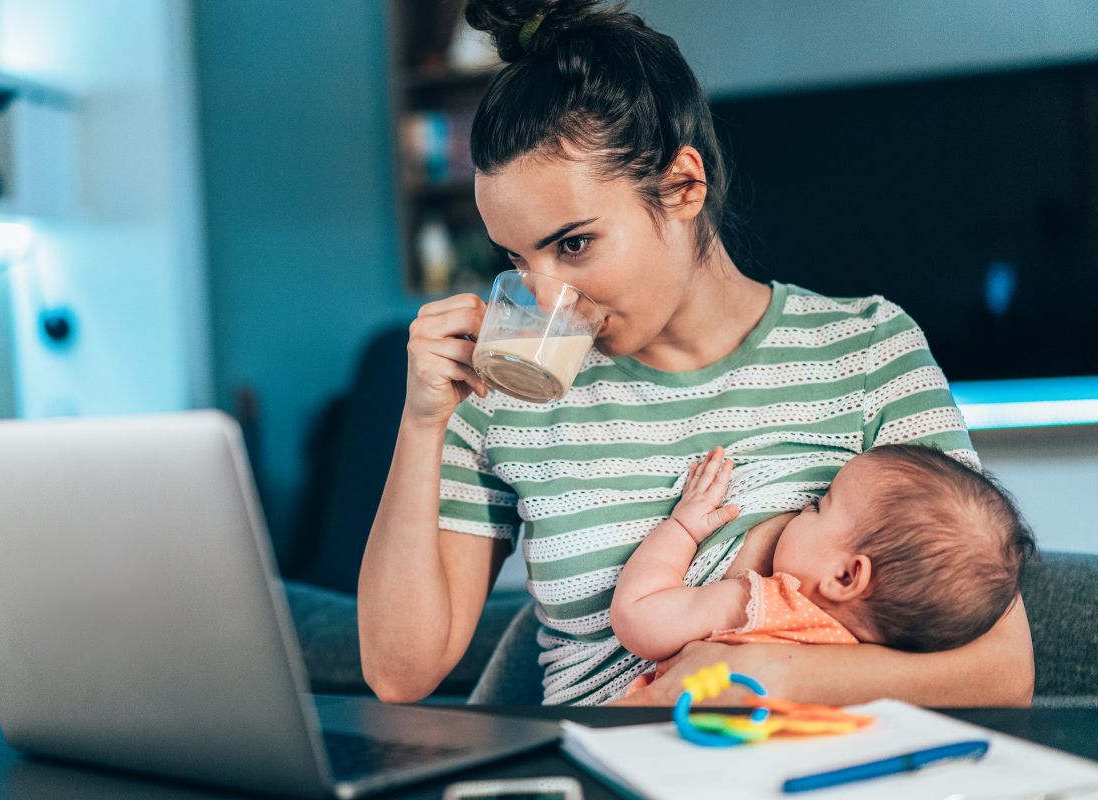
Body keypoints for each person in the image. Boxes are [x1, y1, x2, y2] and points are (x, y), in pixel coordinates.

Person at [358, 0, 1035, 706]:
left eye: (574, 244)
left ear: (683, 186)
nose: (543, 294)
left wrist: (768, 677)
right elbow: (400, 673)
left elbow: (1002, 669)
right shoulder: (503, 393)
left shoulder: (868, 348)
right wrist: (421, 423)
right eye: (517, 258)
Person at [610, 444, 1036, 683]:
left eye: (817, 506)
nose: (799, 511)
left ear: (845, 576)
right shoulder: (877, 664)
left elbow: (639, 617)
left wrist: (683, 529)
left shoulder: (764, 604)